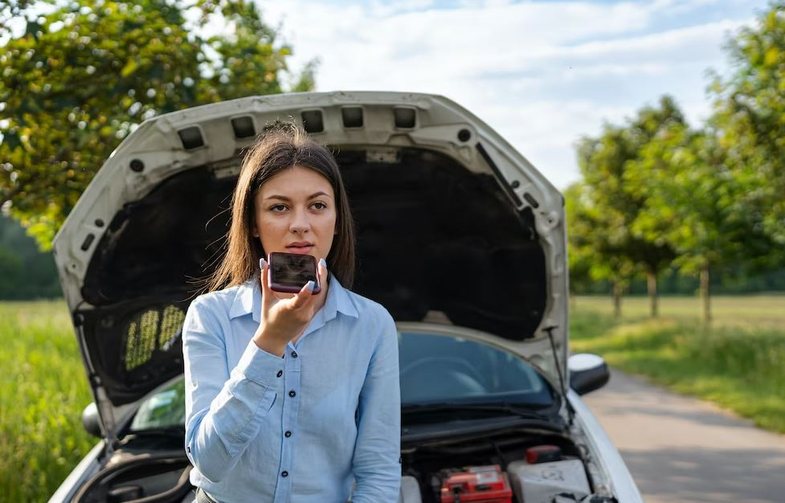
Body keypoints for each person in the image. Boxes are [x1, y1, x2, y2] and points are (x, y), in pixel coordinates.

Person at [182, 122, 401, 503]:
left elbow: (378, 470)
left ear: (336, 220)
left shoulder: (372, 324)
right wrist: (269, 342)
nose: (300, 225)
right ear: (252, 222)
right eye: (279, 207)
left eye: (317, 206)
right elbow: (208, 462)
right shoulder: (210, 316)